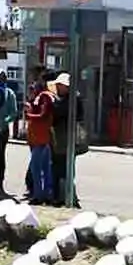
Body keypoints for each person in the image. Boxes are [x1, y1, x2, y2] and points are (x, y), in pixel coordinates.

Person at [49, 72, 84, 207]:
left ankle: (64, 197)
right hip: (66, 138)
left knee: (61, 168)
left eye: (60, 85)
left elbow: (58, 114)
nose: (57, 88)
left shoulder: (69, 100)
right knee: (65, 168)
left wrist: (53, 105)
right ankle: (66, 195)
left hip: (64, 139)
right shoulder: (72, 98)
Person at [23, 73, 55, 204]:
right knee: (44, 168)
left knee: (37, 169)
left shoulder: (45, 96)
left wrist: (29, 115)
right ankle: (45, 194)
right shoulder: (41, 97)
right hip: (39, 138)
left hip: (41, 138)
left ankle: (39, 195)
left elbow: (44, 115)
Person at [0, 71, 18, 188]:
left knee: (0, 157)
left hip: (3, 131)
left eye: (1, 78)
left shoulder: (10, 94)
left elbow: (13, 113)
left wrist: (4, 122)